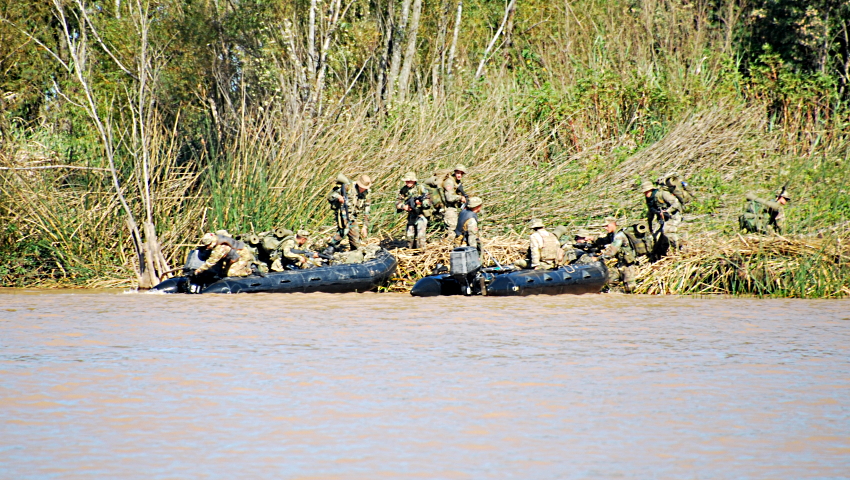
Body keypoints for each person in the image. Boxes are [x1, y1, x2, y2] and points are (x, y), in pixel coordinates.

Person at [327, 173, 372, 251]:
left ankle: (354, 252)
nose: (362, 189)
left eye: (364, 188)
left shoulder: (367, 193)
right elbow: (330, 195)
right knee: (345, 229)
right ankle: (330, 247)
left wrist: (365, 226)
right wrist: (338, 197)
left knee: (355, 237)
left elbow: (367, 210)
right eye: (361, 187)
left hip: (352, 215)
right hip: (342, 211)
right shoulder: (348, 186)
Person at [642, 180, 683, 250]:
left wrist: (667, 211)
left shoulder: (662, 194)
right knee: (655, 237)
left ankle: (680, 247)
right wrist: (650, 227)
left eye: (647, 191)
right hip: (662, 219)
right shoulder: (650, 200)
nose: (646, 194)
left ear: (651, 189)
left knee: (667, 232)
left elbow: (676, 203)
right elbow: (651, 212)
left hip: (673, 216)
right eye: (644, 192)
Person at [600, 218, 637, 293]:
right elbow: (602, 240)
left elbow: (612, 251)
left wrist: (599, 258)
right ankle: (619, 296)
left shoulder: (619, 235)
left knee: (630, 287)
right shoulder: (612, 235)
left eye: (607, 226)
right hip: (621, 263)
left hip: (628, 264)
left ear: (613, 224)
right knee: (610, 280)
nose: (605, 228)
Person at [396, 172, 431, 249]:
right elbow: (397, 203)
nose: (407, 182)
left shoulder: (421, 188)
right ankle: (411, 252)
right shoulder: (404, 190)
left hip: (421, 215)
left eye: (410, 181)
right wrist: (403, 206)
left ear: (414, 181)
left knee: (420, 237)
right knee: (409, 237)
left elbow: (429, 201)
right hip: (411, 216)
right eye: (406, 181)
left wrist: (421, 203)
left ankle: (421, 253)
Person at [442, 164, 469, 233]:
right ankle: (448, 243)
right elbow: (449, 198)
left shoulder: (457, 182)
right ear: (455, 172)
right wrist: (460, 198)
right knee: (452, 230)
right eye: (458, 173)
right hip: (448, 209)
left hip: (454, 208)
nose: (459, 175)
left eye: (461, 173)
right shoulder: (449, 182)